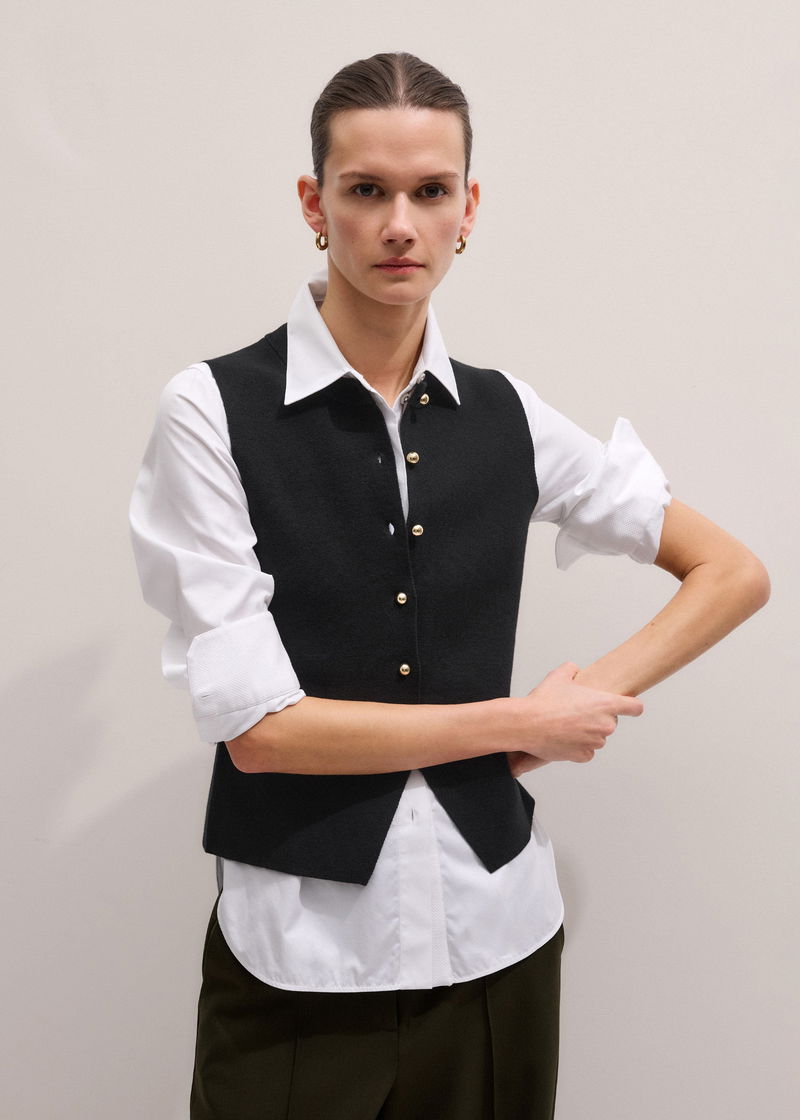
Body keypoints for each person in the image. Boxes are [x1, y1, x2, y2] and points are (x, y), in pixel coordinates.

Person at [129, 51, 769, 1120]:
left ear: (467, 208)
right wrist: (518, 723)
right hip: (298, 964)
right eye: (365, 190)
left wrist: (586, 695)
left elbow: (732, 571)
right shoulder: (210, 410)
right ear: (313, 203)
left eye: (430, 191)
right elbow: (262, 733)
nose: (399, 225)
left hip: (498, 946)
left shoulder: (508, 412)